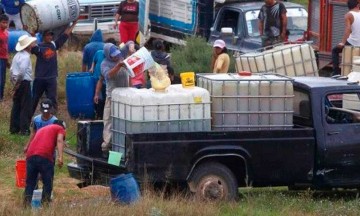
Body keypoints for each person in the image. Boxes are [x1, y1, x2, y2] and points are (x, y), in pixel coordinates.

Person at [31, 21, 77, 115]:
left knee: (52, 98)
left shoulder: (54, 45)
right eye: (47, 35)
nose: (50, 37)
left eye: (51, 35)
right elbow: (31, 43)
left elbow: (65, 35)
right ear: (43, 36)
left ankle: (53, 117)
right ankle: (28, 117)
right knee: (34, 99)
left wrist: (74, 24)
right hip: (40, 78)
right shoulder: (38, 47)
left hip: (51, 78)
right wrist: (31, 33)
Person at [94, 43, 130, 154]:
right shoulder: (104, 64)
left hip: (125, 97)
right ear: (108, 55)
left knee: (124, 122)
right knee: (109, 121)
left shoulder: (121, 58)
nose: (116, 57)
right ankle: (107, 147)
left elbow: (129, 44)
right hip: (112, 98)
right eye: (113, 55)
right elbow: (107, 76)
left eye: (117, 54)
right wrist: (96, 94)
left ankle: (124, 146)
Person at [23, 120, 66, 208]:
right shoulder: (60, 128)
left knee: (30, 182)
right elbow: (59, 140)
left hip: (30, 156)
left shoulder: (42, 129)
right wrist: (60, 157)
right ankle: (45, 205)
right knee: (47, 182)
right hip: (44, 156)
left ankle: (26, 206)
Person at [9, 34, 37, 135]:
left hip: (18, 82)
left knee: (17, 105)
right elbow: (22, 72)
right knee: (26, 106)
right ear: (28, 46)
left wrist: (14, 83)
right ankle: (24, 129)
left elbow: (12, 71)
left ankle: (14, 128)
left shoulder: (17, 55)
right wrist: (18, 83)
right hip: (24, 82)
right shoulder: (25, 57)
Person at [89, 38, 117, 119]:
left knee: (108, 101)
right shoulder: (99, 53)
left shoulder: (116, 58)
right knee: (100, 100)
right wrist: (92, 68)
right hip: (100, 81)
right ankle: (100, 116)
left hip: (111, 84)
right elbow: (94, 61)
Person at [331, 0, 360, 76]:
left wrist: (343, 43)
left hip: (353, 42)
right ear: (357, 5)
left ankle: (336, 72)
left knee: (335, 51)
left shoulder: (349, 15)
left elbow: (348, 29)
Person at [0, 14, 9, 102]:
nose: (5, 24)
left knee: (3, 79)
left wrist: (7, 59)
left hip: (4, 57)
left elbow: (5, 46)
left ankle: (1, 96)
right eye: (3, 23)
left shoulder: (6, 32)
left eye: (6, 23)